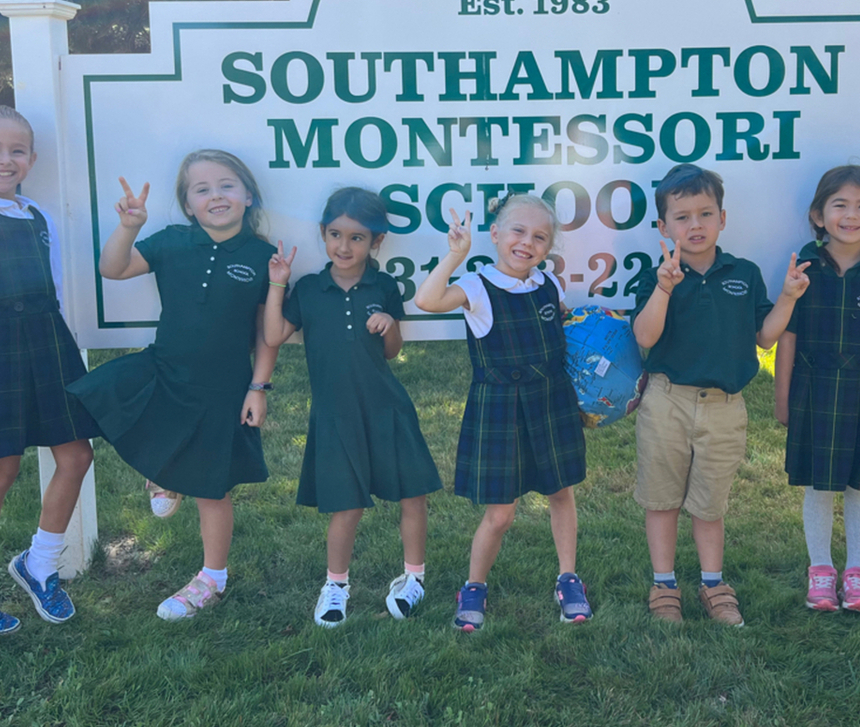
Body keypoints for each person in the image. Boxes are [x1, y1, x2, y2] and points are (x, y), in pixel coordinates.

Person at [66, 150, 278, 620]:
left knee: (212, 489)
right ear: (187, 205)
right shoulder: (170, 242)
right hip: (163, 370)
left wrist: (258, 388)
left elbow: (267, 334)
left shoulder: (264, 257)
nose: (215, 195)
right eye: (201, 189)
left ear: (247, 195)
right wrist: (129, 226)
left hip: (224, 388)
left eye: (226, 185)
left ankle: (212, 579)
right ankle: (164, 474)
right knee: (93, 399)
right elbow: (113, 269)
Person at [0, 105, 102, 635]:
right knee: (0, 468)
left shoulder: (38, 215)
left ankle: (39, 564)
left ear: (30, 159)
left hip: (48, 341)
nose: (4, 160)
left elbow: (50, 286)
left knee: (76, 455)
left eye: (16, 151)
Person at [630, 164, 809, 625]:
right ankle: (664, 583)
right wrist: (665, 288)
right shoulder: (656, 276)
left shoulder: (744, 274)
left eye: (705, 214)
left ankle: (714, 583)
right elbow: (645, 338)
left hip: (726, 408)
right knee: (662, 498)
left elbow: (765, 338)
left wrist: (789, 297)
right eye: (682, 217)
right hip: (667, 400)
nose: (695, 225)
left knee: (710, 503)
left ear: (722, 220)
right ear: (663, 227)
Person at [262, 187, 443, 628]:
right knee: (346, 504)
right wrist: (277, 282)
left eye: (357, 238)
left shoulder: (383, 286)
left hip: (386, 407)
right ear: (323, 234)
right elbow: (272, 336)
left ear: (376, 242)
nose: (344, 247)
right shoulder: (308, 289)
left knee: (411, 494)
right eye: (336, 235)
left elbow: (392, 353)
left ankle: (414, 579)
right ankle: (337, 586)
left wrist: (389, 325)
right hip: (335, 413)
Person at [414, 193, 589, 631]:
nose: (527, 243)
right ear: (494, 234)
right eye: (518, 231)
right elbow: (427, 301)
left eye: (539, 237)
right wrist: (455, 256)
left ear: (549, 247)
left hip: (551, 400)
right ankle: (474, 586)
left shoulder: (549, 284)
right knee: (501, 513)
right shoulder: (477, 285)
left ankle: (568, 578)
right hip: (500, 409)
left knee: (561, 493)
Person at [775, 166, 860, 613]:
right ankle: (821, 570)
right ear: (818, 214)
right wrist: (782, 393)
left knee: (859, 485)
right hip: (814, 388)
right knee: (818, 485)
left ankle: (856, 572)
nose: (851, 216)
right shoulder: (804, 267)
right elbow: (787, 336)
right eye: (840, 205)